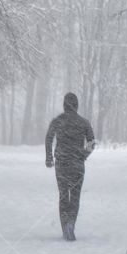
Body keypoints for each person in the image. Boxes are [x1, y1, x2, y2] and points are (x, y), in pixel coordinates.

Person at [45, 92, 95, 240]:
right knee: (74, 197)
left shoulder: (57, 121)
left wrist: (49, 157)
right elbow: (92, 143)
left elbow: (48, 139)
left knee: (63, 196)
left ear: (64, 104)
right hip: (77, 165)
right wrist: (83, 155)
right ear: (77, 105)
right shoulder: (84, 122)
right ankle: (71, 224)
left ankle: (64, 226)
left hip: (61, 164)